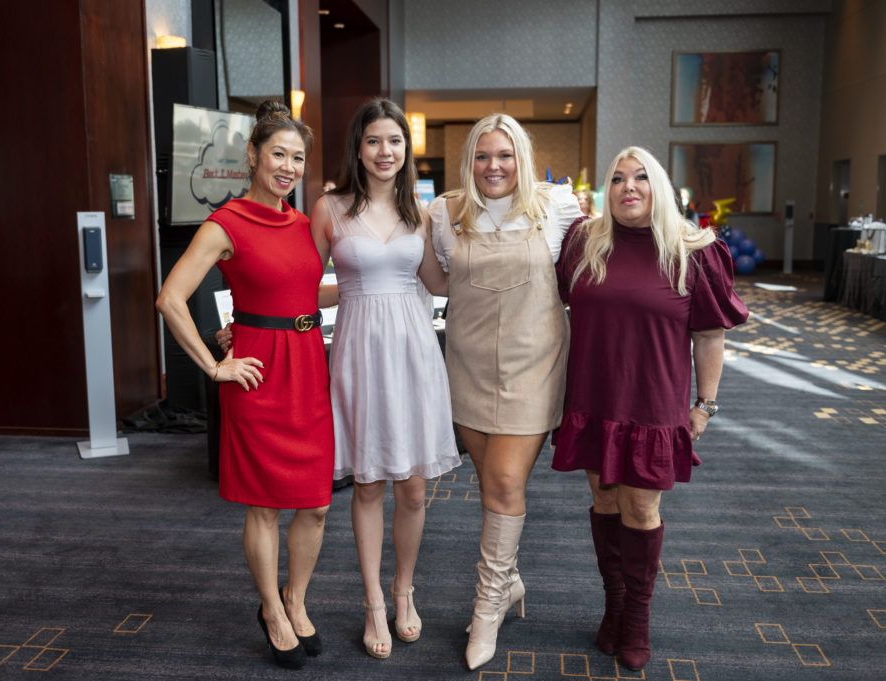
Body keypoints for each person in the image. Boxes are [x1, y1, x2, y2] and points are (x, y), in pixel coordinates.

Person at [553, 146, 748, 671]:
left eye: (640, 177)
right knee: (604, 501)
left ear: (658, 186)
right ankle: (614, 605)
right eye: (617, 179)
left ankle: (637, 617)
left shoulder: (693, 250)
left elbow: (710, 336)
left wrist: (704, 406)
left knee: (641, 508)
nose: (628, 187)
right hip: (593, 399)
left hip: (653, 404)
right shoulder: (583, 243)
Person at [156, 100, 331, 671]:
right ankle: (271, 611)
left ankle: (296, 599)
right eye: (278, 154)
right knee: (264, 508)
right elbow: (170, 297)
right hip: (258, 376)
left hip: (307, 366)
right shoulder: (226, 222)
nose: (288, 166)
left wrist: (374, 284)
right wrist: (214, 364)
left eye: (298, 157)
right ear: (253, 155)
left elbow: (301, 296)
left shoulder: (301, 223)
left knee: (316, 504)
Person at [427, 113, 584, 671]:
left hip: (534, 365)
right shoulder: (443, 212)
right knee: (490, 481)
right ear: (469, 160)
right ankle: (510, 580)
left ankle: (487, 607)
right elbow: (426, 280)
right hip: (466, 365)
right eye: (483, 156)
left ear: (521, 156)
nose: (494, 166)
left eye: (505, 155)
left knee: (504, 482)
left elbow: (606, 256)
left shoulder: (559, 207)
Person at [309, 97, 461, 660]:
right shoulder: (330, 208)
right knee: (369, 482)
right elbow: (302, 281)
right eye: (374, 140)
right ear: (358, 147)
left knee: (415, 487)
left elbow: (439, 284)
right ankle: (373, 599)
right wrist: (248, 321)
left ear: (406, 150)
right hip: (357, 351)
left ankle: (404, 590)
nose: (384, 151)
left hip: (414, 351)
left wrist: (477, 241)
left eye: (394, 141)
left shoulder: (420, 213)